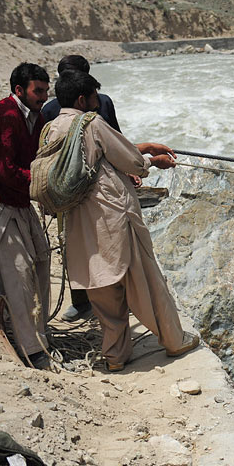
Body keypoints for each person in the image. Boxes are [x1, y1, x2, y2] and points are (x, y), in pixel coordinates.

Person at [43, 69, 198, 371]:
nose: (96, 104)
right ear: (81, 98)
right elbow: (131, 161)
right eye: (93, 98)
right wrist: (154, 161)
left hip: (77, 217)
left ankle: (115, 356)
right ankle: (174, 339)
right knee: (145, 278)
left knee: (101, 285)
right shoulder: (91, 123)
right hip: (111, 213)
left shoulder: (51, 128)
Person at [0, 63, 52, 369]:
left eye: (47, 91)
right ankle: (31, 349)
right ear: (19, 90)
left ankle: (41, 336)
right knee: (19, 274)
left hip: (20, 202)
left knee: (43, 260)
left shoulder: (35, 116)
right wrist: (43, 185)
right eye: (39, 91)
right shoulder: (3, 116)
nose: (44, 97)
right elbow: (2, 170)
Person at [42, 55, 122, 323]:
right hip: (69, 190)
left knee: (108, 242)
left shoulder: (102, 102)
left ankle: (113, 299)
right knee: (72, 244)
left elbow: (117, 139)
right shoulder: (51, 110)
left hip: (103, 186)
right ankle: (82, 300)